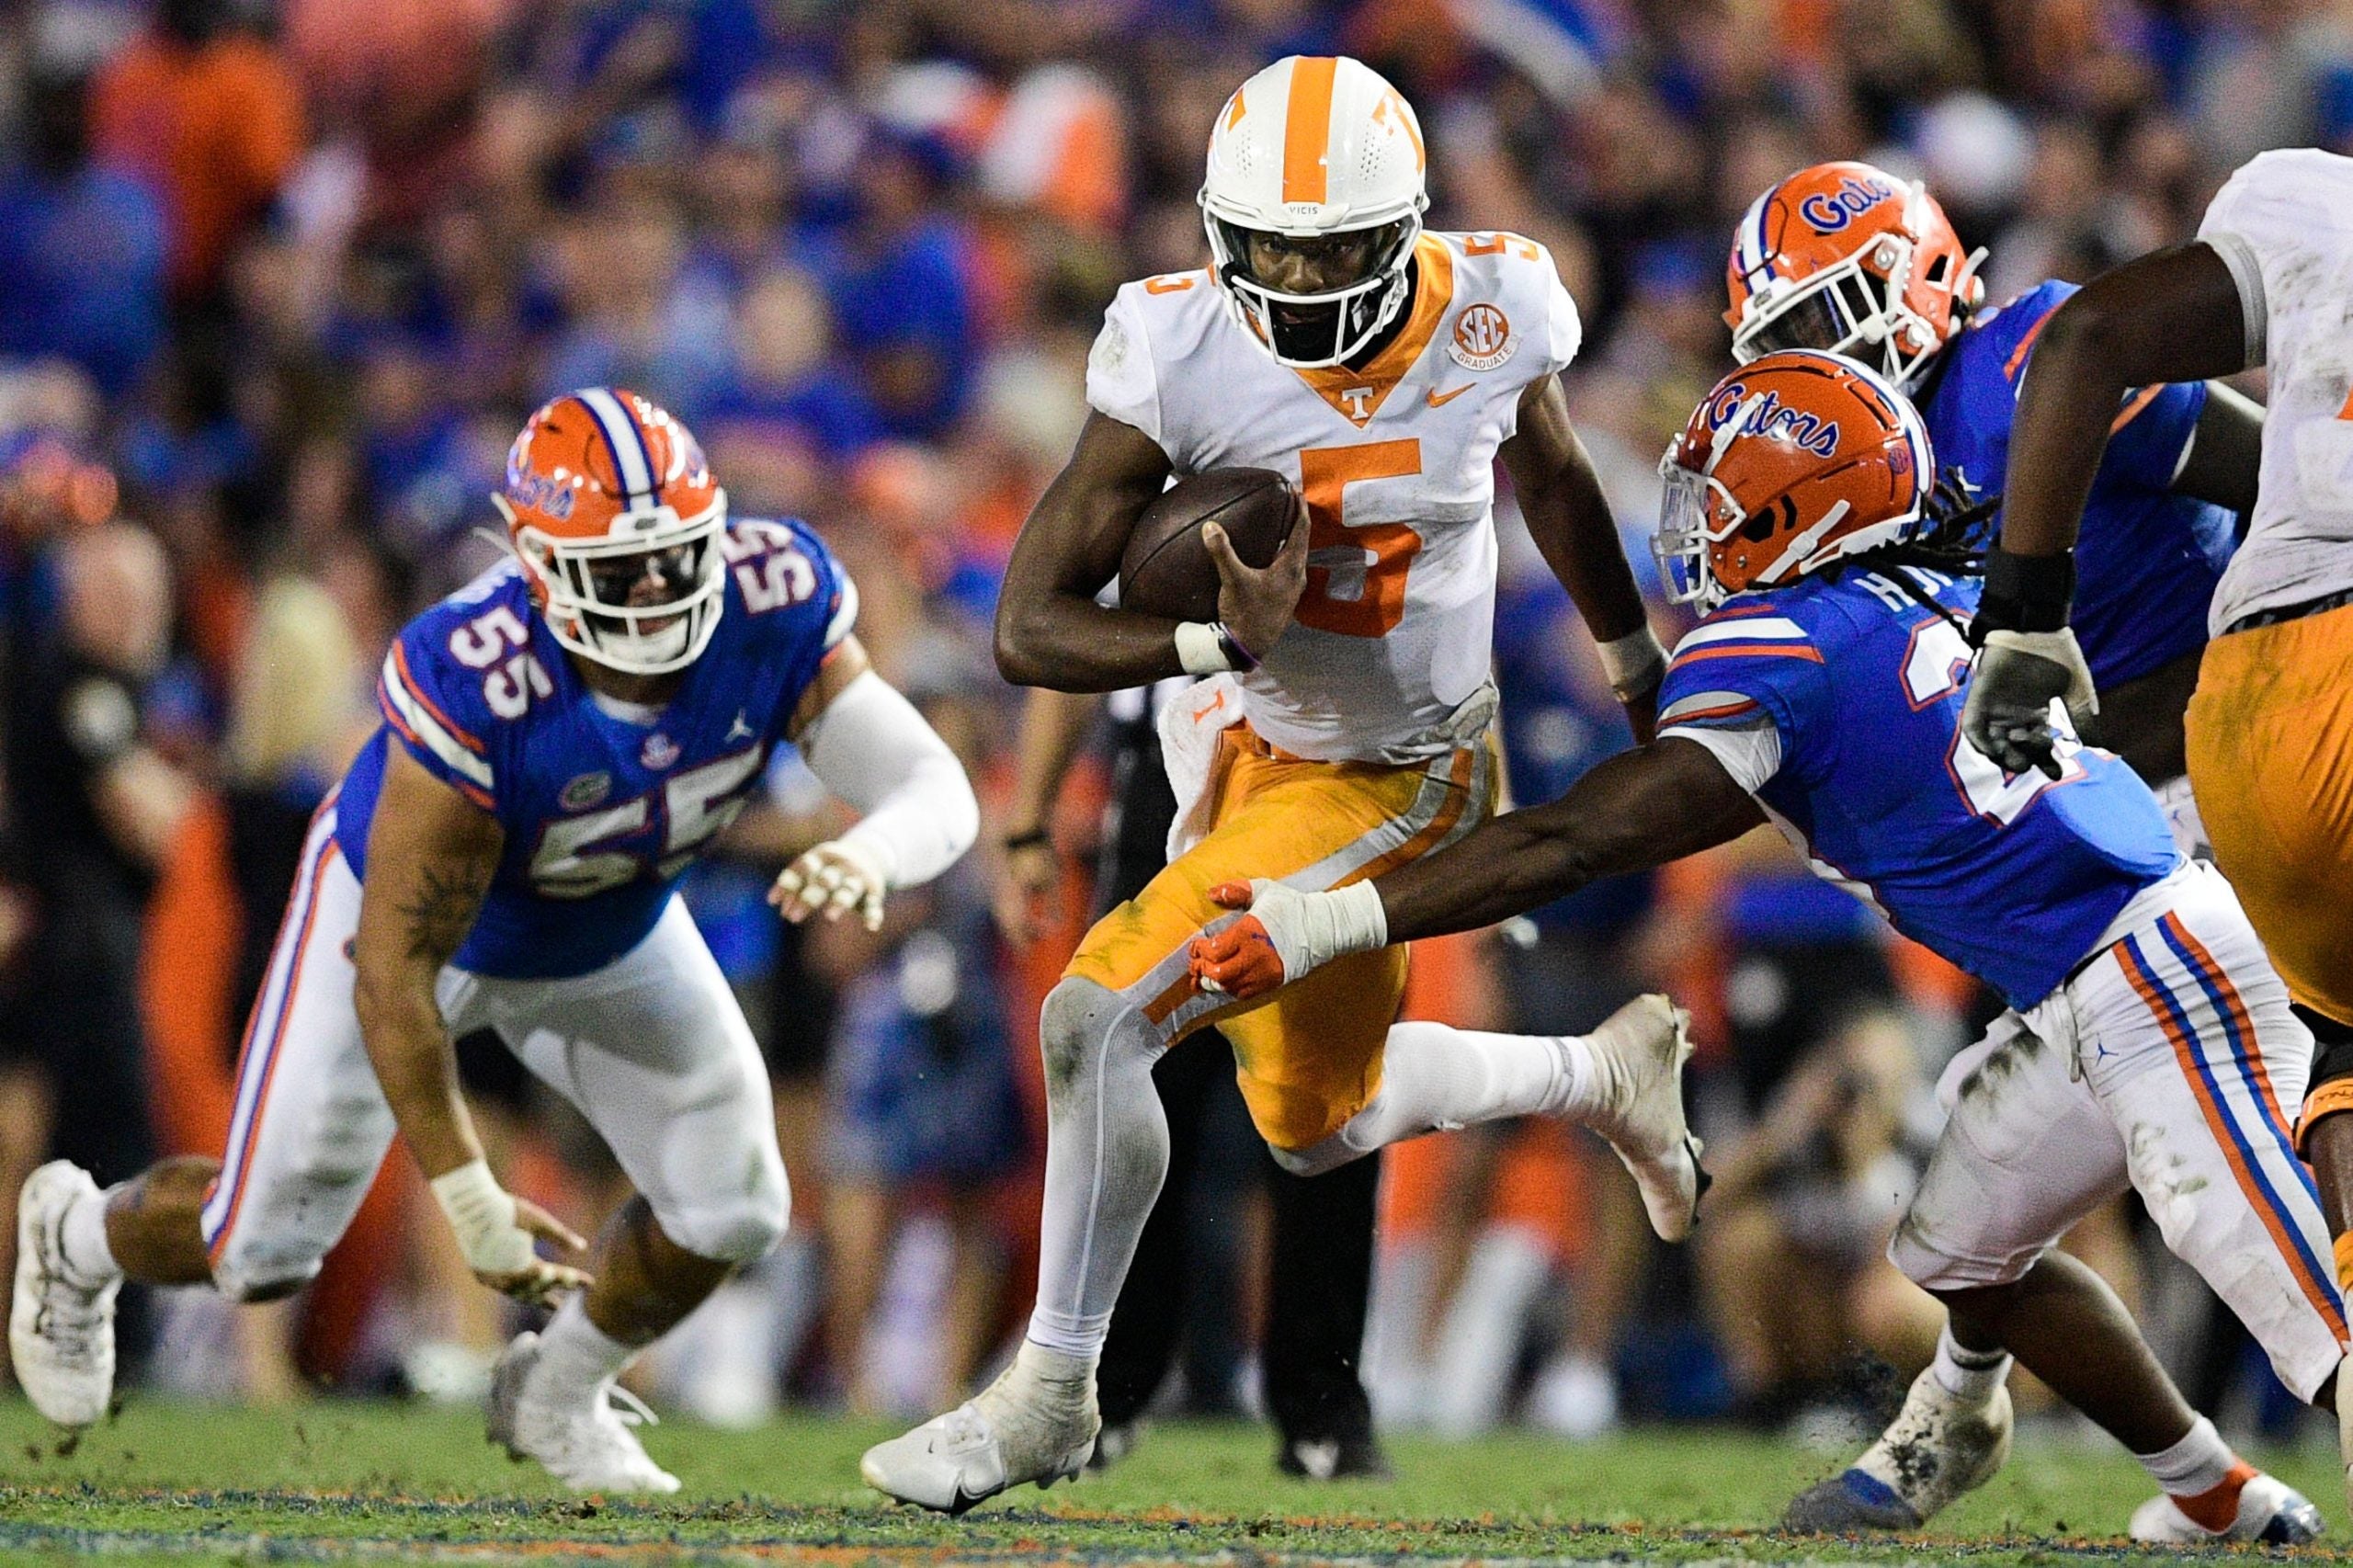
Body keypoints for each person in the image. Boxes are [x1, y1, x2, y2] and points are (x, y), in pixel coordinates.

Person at [1192, 351, 2338, 1546]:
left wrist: (1334, 914)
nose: (1701, 524)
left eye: (1725, 495)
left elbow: (1580, 838)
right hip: (2092, 974)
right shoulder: (1916, 594)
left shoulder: (1785, 644)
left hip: (2154, 971)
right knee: (1960, 1243)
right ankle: (2215, 1486)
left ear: (1807, 509)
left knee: (2308, 1303)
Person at [861, 54, 1694, 1513]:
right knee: (1316, 1118)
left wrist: (1629, 653)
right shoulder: (1174, 344)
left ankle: (1054, 1391)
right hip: (1228, 744)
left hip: (1396, 767)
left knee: (1097, 1010)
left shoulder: (1498, 304)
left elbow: (1555, 480)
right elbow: (1027, 623)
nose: (1300, 272)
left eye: (1331, 242)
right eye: (1275, 242)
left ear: (1408, 226)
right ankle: (1600, 1071)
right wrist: (1202, 634)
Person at [10, 389, 980, 1493]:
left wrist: (874, 853)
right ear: (539, 564)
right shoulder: (480, 674)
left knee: (737, 1201)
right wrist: (466, 1192)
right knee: (260, 1243)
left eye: (677, 553)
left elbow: (929, 786)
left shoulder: (773, 596)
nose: (661, 589)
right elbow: (394, 975)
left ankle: (556, 1390)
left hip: (608, 921)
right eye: (624, 569)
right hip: (413, 932)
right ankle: (79, 1233)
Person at [1957, 143, 2353, 1516]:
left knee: (2312, 1072)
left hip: (2249, 736)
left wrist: (2020, 611)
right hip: (2187, 788)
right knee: (1971, 1205)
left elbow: (2095, 340)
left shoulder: (2305, 206)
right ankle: (2219, 1461)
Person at [1721, 160, 2261, 840]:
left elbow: (2285, 476)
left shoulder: (2030, 359)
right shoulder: (1845, 485)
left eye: (1823, 322)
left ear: (1910, 274)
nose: (1817, 363)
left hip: (2240, 729)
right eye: (1781, 346)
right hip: (2093, 818)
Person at [998, 682, 1391, 1479]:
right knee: (1128, 1086)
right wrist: (1027, 820)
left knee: (1329, 1109)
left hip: (1334, 779)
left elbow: (1450, 638)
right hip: (1176, 778)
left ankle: (1322, 1401)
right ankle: (1106, 1387)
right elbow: (1077, 640)